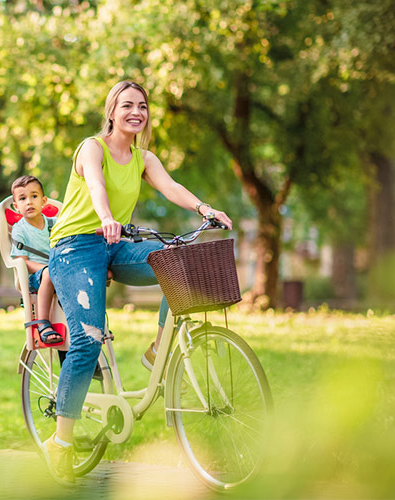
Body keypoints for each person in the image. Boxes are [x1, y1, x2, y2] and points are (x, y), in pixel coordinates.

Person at [43, 80, 233, 484]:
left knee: (178, 266)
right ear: (111, 112)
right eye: (126, 105)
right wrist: (107, 216)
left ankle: (157, 348)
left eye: (142, 106)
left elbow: (170, 187)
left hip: (113, 245)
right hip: (75, 248)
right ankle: (60, 442)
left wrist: (205, 207)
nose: (136, 112)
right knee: (87, 339)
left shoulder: (144, 157)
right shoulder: (92, 147)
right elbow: (95, 184)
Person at [9, 175, 62, 345]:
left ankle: (90, 323)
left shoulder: (55, 224)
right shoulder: (20, 230)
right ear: (16, 207)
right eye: (23, 198)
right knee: (49, 273)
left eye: (34, 196)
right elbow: (22, 261)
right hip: (36, 277)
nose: (29, 202)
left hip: (59, 270)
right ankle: (43, 323)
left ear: (44, 200)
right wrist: (48, 268)